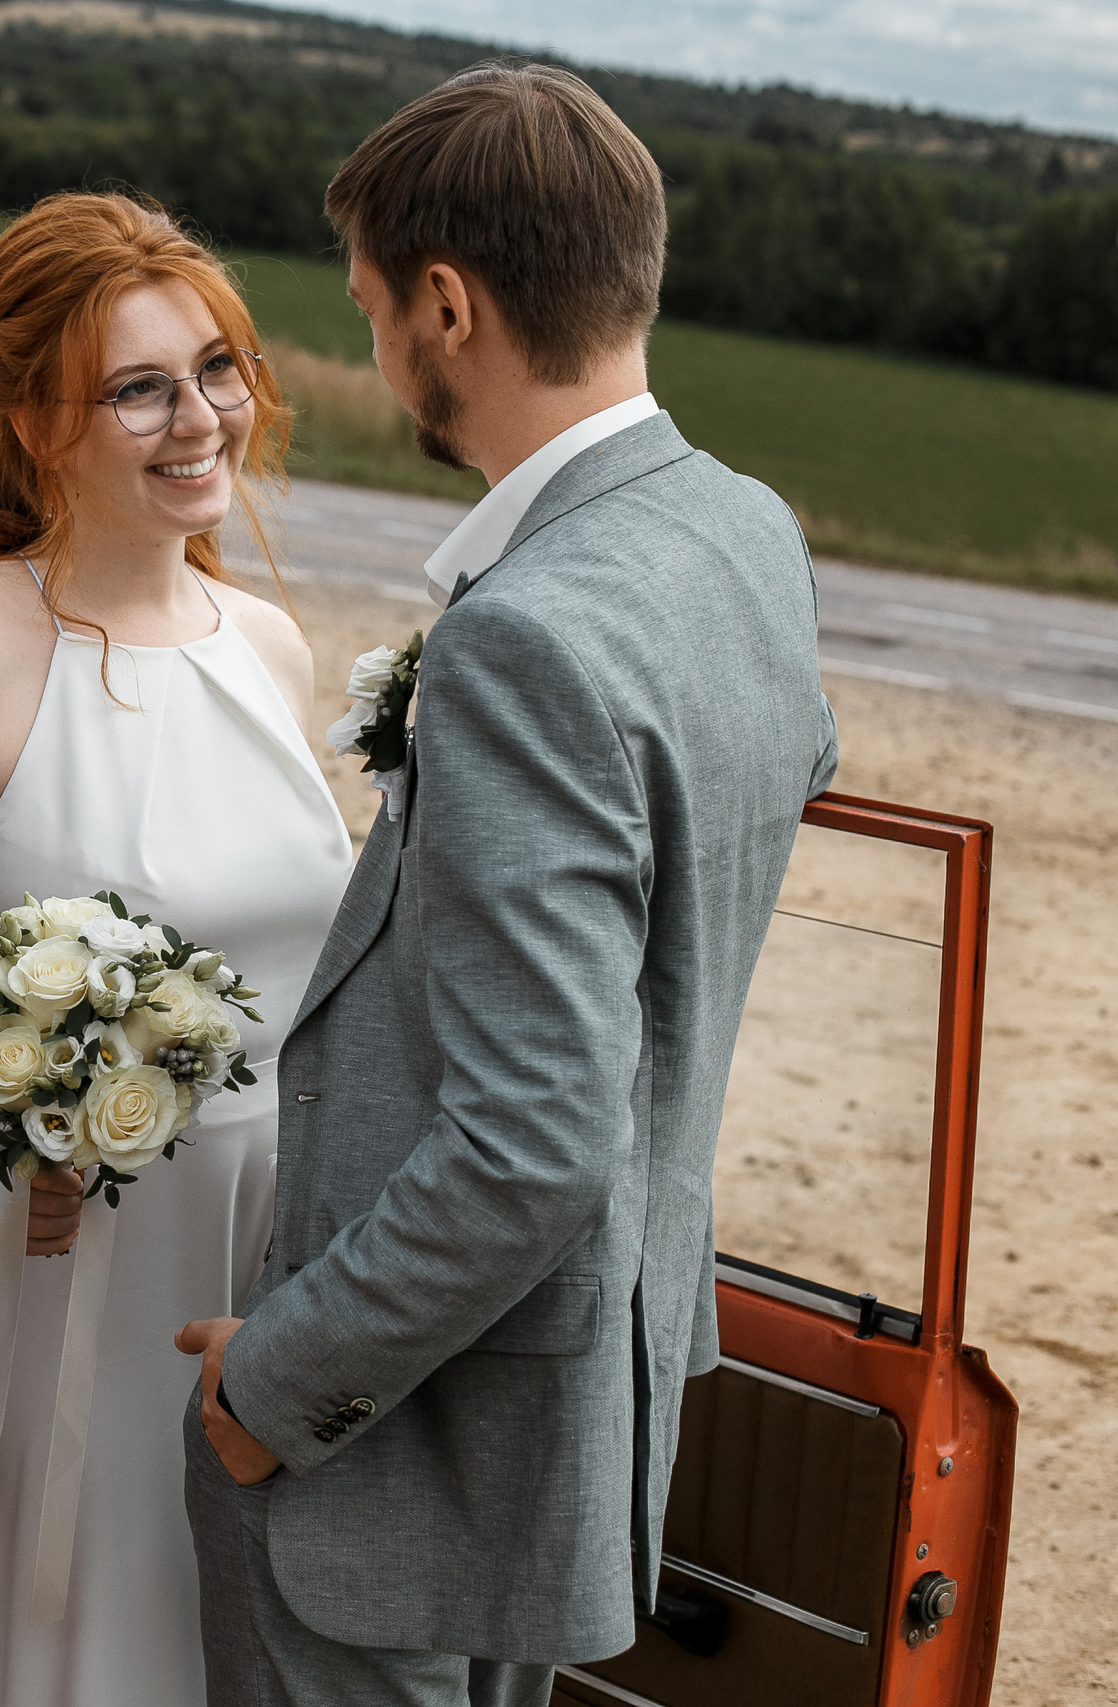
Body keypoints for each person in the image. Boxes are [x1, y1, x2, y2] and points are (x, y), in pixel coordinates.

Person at [173, 64, 843, 1707]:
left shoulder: (529, 638)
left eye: (373, 303)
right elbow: (746, 834)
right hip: (582, 1389)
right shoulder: (743, 530)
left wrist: (277, 1387)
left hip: (405, 1432)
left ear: (448, 306)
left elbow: (537, 1139)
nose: (378, 340)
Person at [0, 192, 355, 1707]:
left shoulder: (266, 646)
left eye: (217, 370)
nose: (198, 421)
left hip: (266, 1260)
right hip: (63, 1271)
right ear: (32, 418)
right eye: (138, 387)